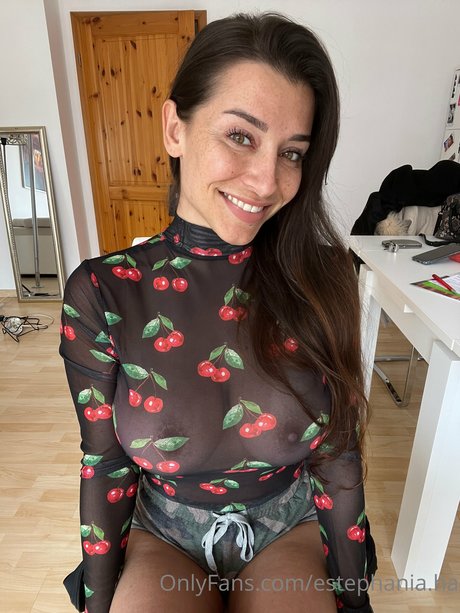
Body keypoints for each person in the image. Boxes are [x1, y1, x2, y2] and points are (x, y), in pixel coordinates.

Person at [60, 12, 376, 613]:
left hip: (287, 525)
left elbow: (337, 454)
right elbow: (105, 463)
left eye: (292, 152)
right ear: (174, 129)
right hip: (164, 533)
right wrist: (99, 603)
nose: (266, 181)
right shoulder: (104, 293)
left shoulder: (323, 278)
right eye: (241, 136)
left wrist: (353, 598)